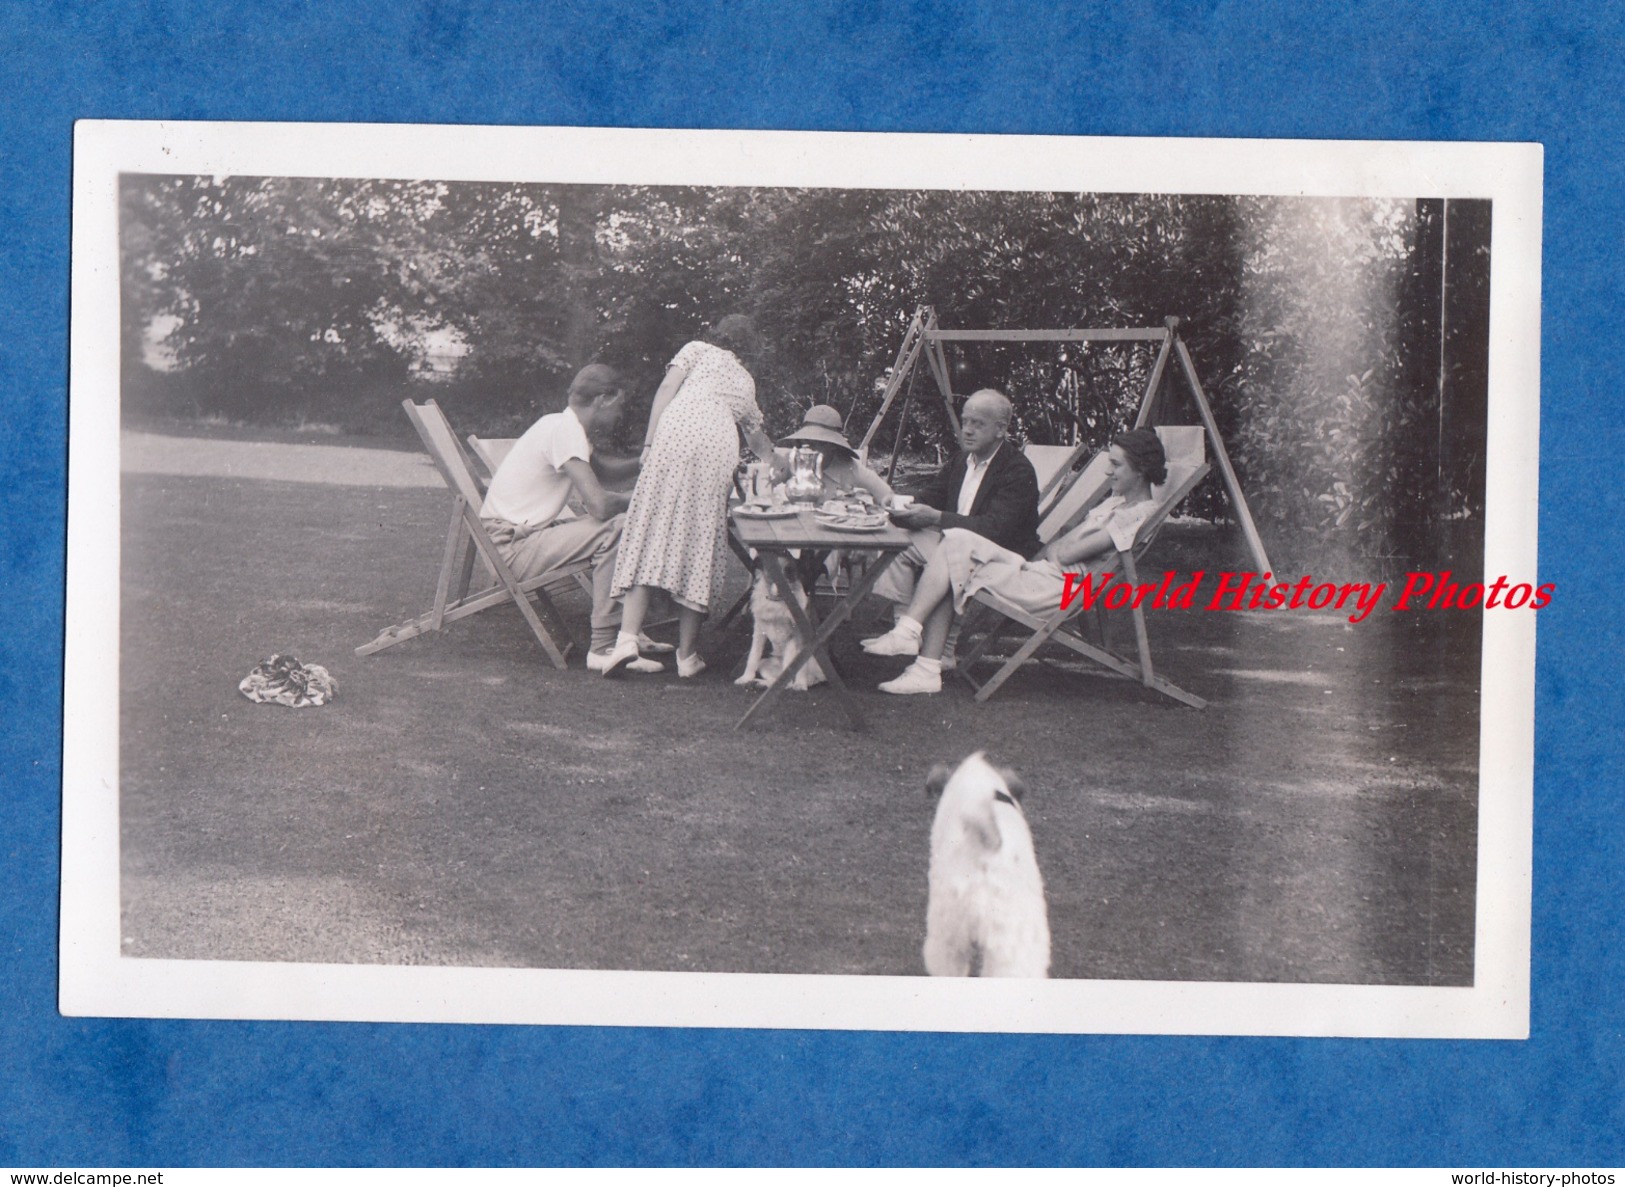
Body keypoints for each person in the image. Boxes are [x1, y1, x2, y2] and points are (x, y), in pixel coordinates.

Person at [864, 428, 1168, 695]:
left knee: (953, 549)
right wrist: (1067, 547)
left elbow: (1064, 552)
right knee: (955, 541)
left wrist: (1066, 547)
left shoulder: (1139, 515)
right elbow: (1058, 547)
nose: (1108, 472)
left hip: (1058, 589)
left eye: (1116, 465)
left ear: (1140, 469)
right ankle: (919, 652)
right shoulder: (1116, 504)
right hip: (1045, 573)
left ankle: (918, 652)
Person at [603, 315, 790, 677]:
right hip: (717, 447)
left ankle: (627, 638)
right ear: (747, 350)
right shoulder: (746, 382)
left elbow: (665, 390)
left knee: (648, 529)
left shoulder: (697, 350)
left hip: (675, 435)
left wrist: (649, 442)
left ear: (718, 336)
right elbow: (755, 438)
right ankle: (687, 657)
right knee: (701, 540)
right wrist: (776, 461)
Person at [479, 363, 671, 673]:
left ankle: (628, 632)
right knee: (618, 528)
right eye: (619, 405)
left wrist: (650, 460)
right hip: (510, 548)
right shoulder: (565, 431)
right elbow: (598, 505)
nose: (620, 414)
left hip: (514, 539)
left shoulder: (561, 425)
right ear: (603, 399)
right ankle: (604, 646)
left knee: (622, 524)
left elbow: (606, 472)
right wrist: (642, 499)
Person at [860, 387, 1041, 660]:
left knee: (943, 549)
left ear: (1000, 429)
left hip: (1000, 556)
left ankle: (933, 645)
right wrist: (899, 505)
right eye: (965, 421)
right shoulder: (961, 460)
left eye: (977, 424)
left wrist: (937, 518)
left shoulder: (1016, 470)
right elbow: (932, 496)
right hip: (958, 547)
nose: (967, 430)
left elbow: (996, 530)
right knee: (896, 538)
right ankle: (905, 632)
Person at [776, 404, 894, 503]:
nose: (809, 447)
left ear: (833, 445)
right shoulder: (789, 461)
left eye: (818, 442)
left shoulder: (849, 468)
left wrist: (867, 504)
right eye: (805, 441)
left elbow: (887, 496)